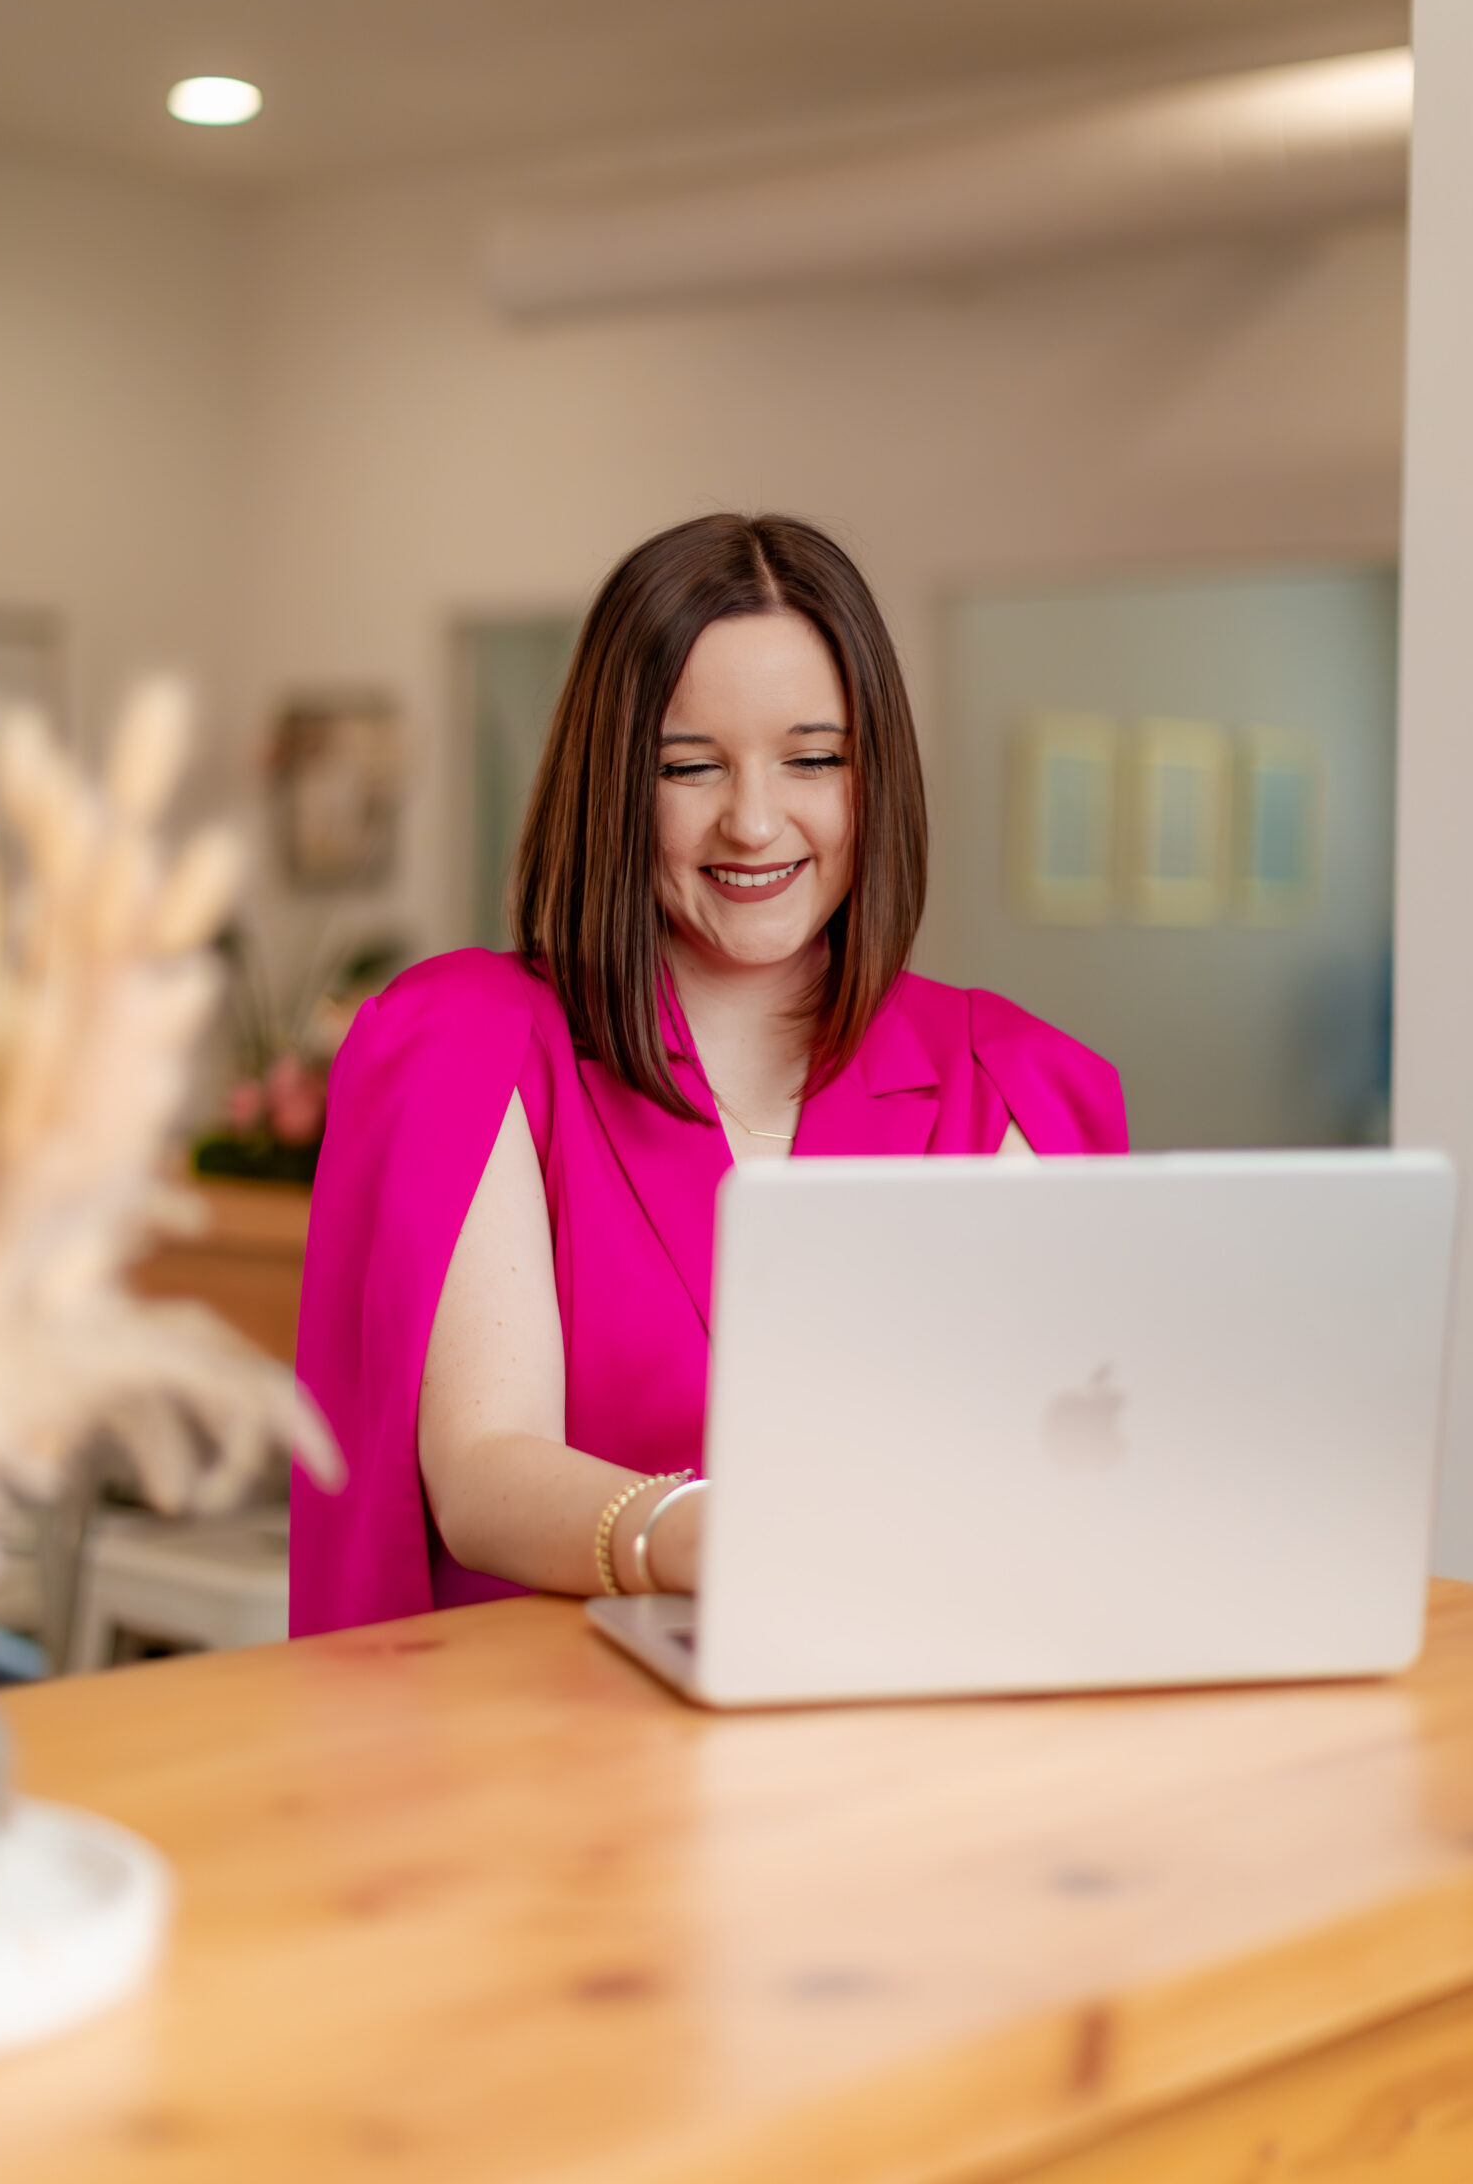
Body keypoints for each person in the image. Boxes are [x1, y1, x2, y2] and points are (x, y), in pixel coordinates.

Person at [290, 514, 1127, 1635]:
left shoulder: (1011, 1083)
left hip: (914, 1722)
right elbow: (484, 1470)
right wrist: (701, 1533)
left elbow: (1068, 1465)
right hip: (551, 1750)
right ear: (613, 785)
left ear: (873, 777)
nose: (754, 818)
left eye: (813, 758)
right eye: (690, 766)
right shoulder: (471, 1046)